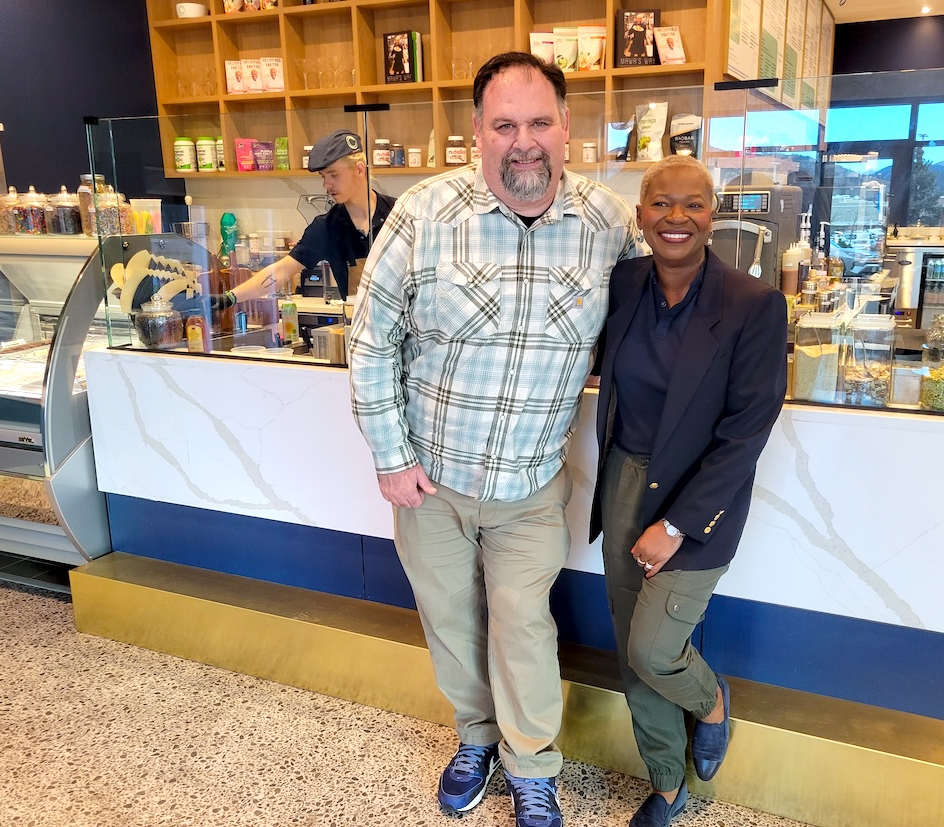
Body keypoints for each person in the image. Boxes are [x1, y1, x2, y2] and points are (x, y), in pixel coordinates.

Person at [348, 52, 638, 827]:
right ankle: (475, 738)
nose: (524, 141)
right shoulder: (423, 213)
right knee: (449, 620)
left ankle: (532, 765)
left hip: (532, 484)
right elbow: (371, 340)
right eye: (504, 124)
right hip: (431, 482)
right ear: (475, 131)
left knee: (523, 626)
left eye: (539, 122)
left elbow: (653, 333)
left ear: (566, 126)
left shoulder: (610, 225)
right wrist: (390, 455)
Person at [589, 155, 788, 827]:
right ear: (640, 213)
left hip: (701, 495)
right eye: (661, 204)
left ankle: (710, 702)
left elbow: (746, 432)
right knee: (628, 648)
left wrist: (676, 524)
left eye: (693, 204)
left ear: (714, 214)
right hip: (623, 476)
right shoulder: (622, 283)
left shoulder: (753, 305)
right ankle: (668, 781)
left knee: (654, 648)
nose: (676, 217)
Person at [225, 129, 394, 305]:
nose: (326, 184)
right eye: (323, 176)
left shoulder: (400, 213)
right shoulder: (327, 228)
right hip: (360, 328)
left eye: (334, 175)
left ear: (359, 169)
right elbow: (283, 271)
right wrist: (230, 297)